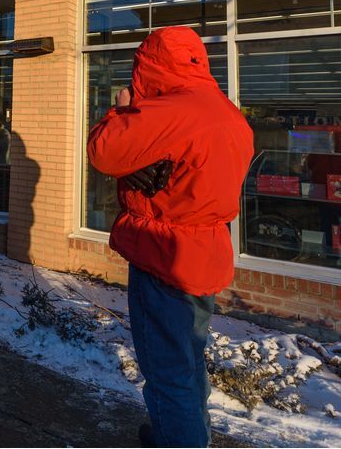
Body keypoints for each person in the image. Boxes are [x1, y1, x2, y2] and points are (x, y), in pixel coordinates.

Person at [86, 26, 253, 448]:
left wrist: (121, 111)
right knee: (188, 358)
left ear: (151, 64)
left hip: (164, 256)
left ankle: (180, 438)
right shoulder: (228, 114)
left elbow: (103, 153)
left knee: (166, 370)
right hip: (206, 250)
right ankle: (184, 433)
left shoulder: (169, 111)